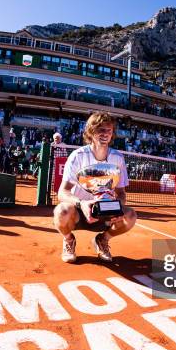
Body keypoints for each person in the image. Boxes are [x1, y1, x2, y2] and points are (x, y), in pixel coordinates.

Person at [53, 111, 137, 263]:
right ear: (91, 132)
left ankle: (102, 240)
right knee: (61, 211)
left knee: (130, 216)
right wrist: (82, 203)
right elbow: (62, 192)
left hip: (105, 210)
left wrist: (118, 207)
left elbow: (121, 193)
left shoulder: (117, 158)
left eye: (109, 130)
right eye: (101, 130)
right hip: (79, 211)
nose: (105, 134)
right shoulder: (78, 156)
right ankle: (69, 240)